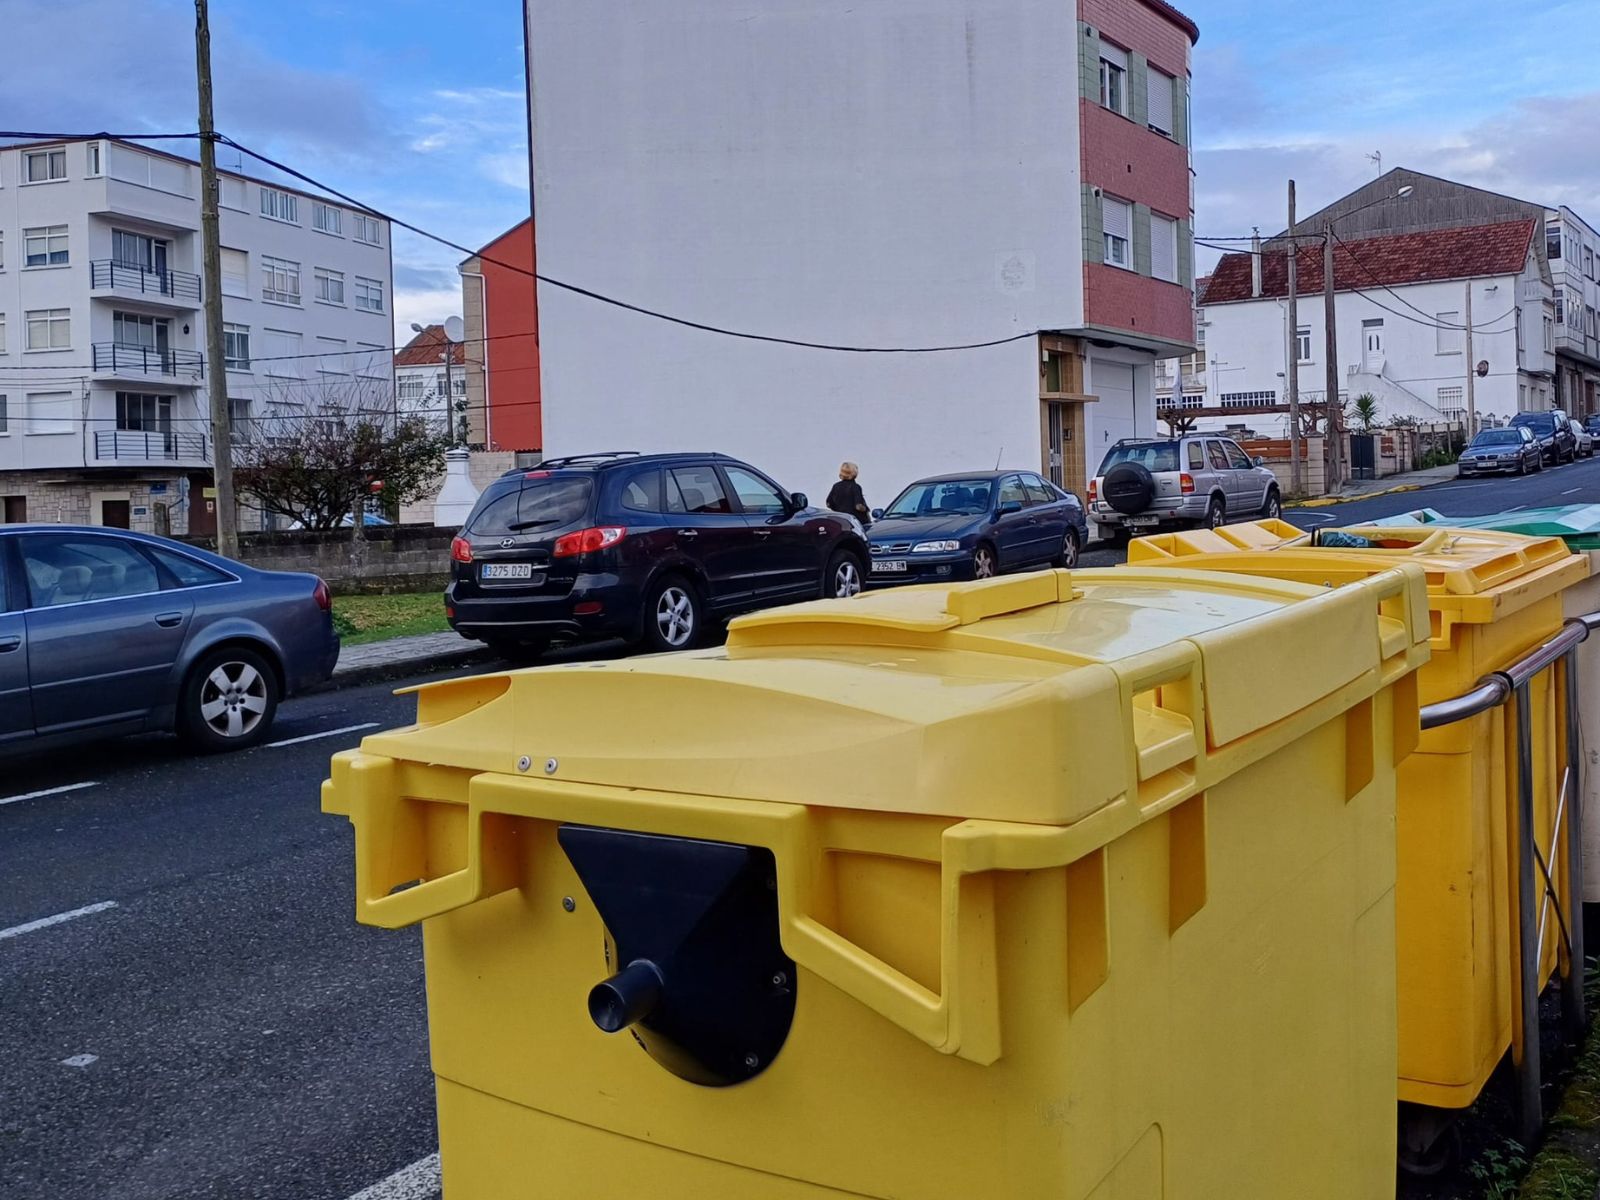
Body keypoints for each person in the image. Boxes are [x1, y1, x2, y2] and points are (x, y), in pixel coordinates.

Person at [826, 462, 870, 528]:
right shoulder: (856, 487)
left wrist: (837, 509)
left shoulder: (836, 486)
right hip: (856, 522)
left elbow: (828, 503)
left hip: (840, 520)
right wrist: (866, 509)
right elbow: (858, 506)